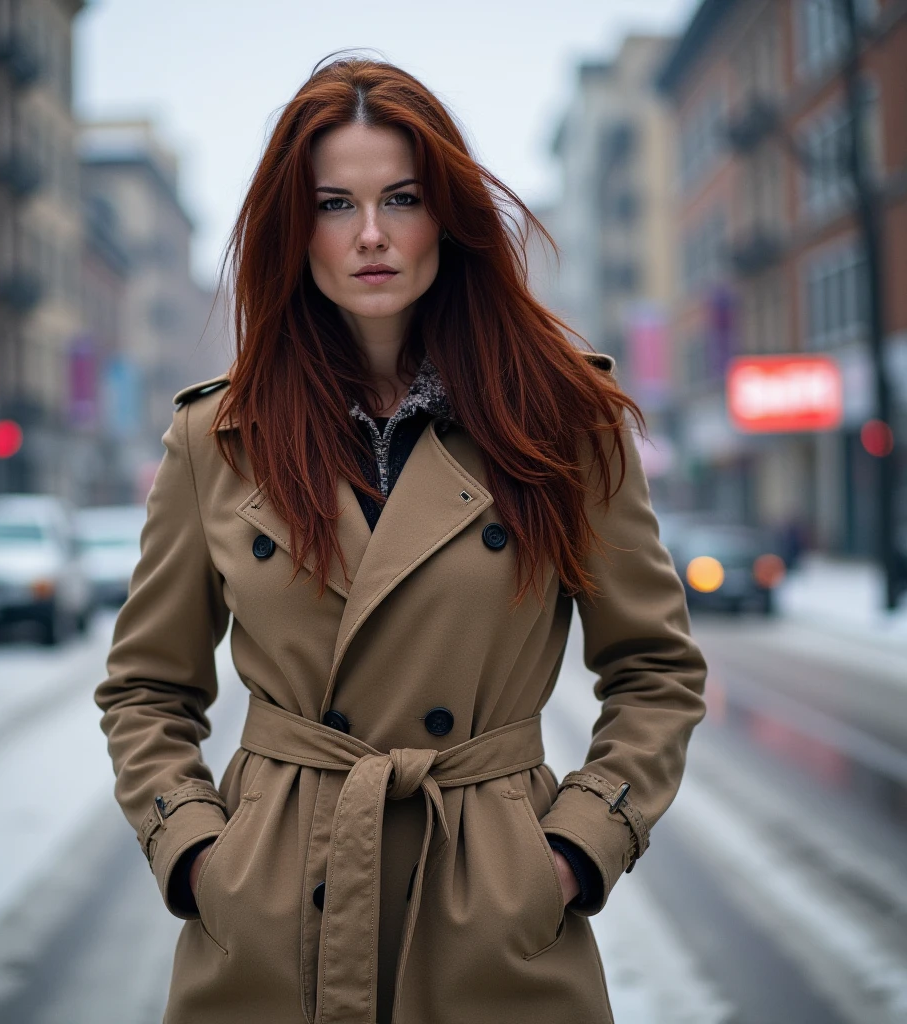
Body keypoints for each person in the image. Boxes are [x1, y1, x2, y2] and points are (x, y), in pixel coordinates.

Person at [95, 56, 707, 1024]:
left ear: (448, 219)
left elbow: (654, 671)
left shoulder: (562, 419)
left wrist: (570, 851)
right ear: (294, 233)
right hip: (272, 910)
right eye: (334, 204)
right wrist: (200, 853)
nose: (370, 234)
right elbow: (146, 687)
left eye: (403, 198)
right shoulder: (218, 437)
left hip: (488, 911)